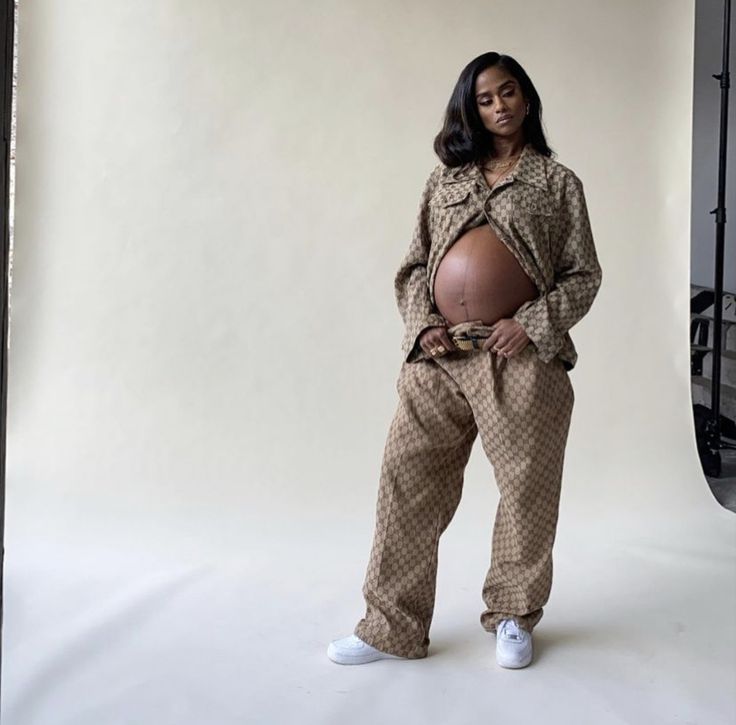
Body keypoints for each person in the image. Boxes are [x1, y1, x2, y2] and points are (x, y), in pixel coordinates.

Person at [327, 51, 603, 669]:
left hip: (521, 358)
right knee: (407, 482)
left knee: (526, 489)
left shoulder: (558, 185)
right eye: (484, 98)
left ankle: (512, 616)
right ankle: (391, 628)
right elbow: (413, 268)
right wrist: (423, 324)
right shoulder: (444, 180)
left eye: (507, 92)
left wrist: (529, 325)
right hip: (441, 356)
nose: (498, 105)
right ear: (470, 109)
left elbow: (584, 275)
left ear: (526, 99)